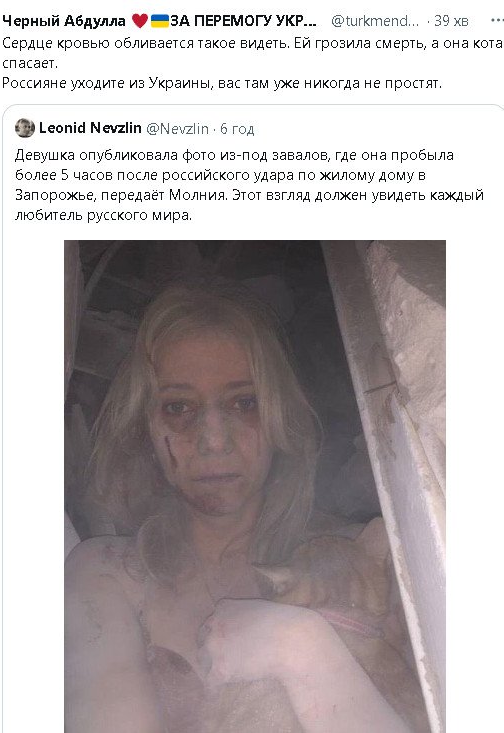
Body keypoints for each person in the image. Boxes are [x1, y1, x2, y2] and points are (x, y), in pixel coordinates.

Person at [65, 284, 411, 732]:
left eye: (244, 403)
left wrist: (303, 649)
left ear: (278, 417)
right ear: (144, 426)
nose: (214, 440)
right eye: (179, 407)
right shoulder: (110, 571)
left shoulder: (366, 563)